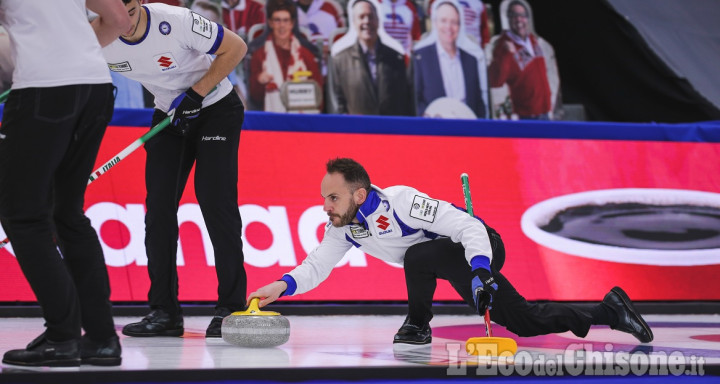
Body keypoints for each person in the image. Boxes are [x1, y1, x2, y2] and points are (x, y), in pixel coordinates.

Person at [249, 158, 654, 346]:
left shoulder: (402, 201)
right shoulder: (344, 226)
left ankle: (418, 325)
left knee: (417, 257)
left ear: (359, 193)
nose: (326, 206)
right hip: (446, 260)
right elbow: (316, 265)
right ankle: (610, 311)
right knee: (524, 321)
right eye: (324, 198)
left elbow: (467, 226)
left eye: (332, 197)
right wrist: (281, 286)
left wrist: (480, 268)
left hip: (479, 246)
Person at [98, 0, 249, 338]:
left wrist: (196, 94)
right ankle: (164, 311)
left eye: (131, 8)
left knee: (215, 203)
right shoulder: (99, 37)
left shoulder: (176, 21)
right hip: (169, 115)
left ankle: (231, 308)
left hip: (215, 107)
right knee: (159, 212)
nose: (124, 18)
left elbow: (236, 47)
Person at [0, 0, 130, 367]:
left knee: (23, 215)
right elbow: (119, 19)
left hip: (43, 87)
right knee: (67, 212)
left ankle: (63, 334)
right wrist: (73, 51)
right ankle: (102, 338)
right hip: (96, 85)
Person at [328, 0, 413, 116]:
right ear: (354, 22)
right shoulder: (340, 61)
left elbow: (404, 101)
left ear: (378, 21)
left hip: (389, 130)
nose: (366, 21)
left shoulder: (395, 58)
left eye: (371, 16)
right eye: (361, 17)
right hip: (357, 131)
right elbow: (338, 104)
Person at [412, 0, 487, 118]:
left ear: (460, 25)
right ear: (435, 23)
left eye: (454, 22)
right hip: (434, 131)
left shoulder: (471, 61)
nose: (449, 27)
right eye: (443, 21)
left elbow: (478, 104)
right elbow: (414, 101)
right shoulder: (420, 58)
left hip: (467, 131)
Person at [249, 0, 323, 111]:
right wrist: (259, 81)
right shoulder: (259, 55)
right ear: (270, 23)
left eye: (286, 20)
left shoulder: (306, 55)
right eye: (277, 20)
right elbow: (255, 98)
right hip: (272, 120)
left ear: (292, 24)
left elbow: (319, 96)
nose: (282, 25)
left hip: (303, 121)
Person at [487, 0, 552, 120]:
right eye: (514, 15)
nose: (519, 19)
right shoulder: (502, 46)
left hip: (545, 111)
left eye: (522, 16)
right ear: (508, 19)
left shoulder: (533, 40)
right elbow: (495, 81)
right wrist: (505, 54)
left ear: (528, 19)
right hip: (526, 115)